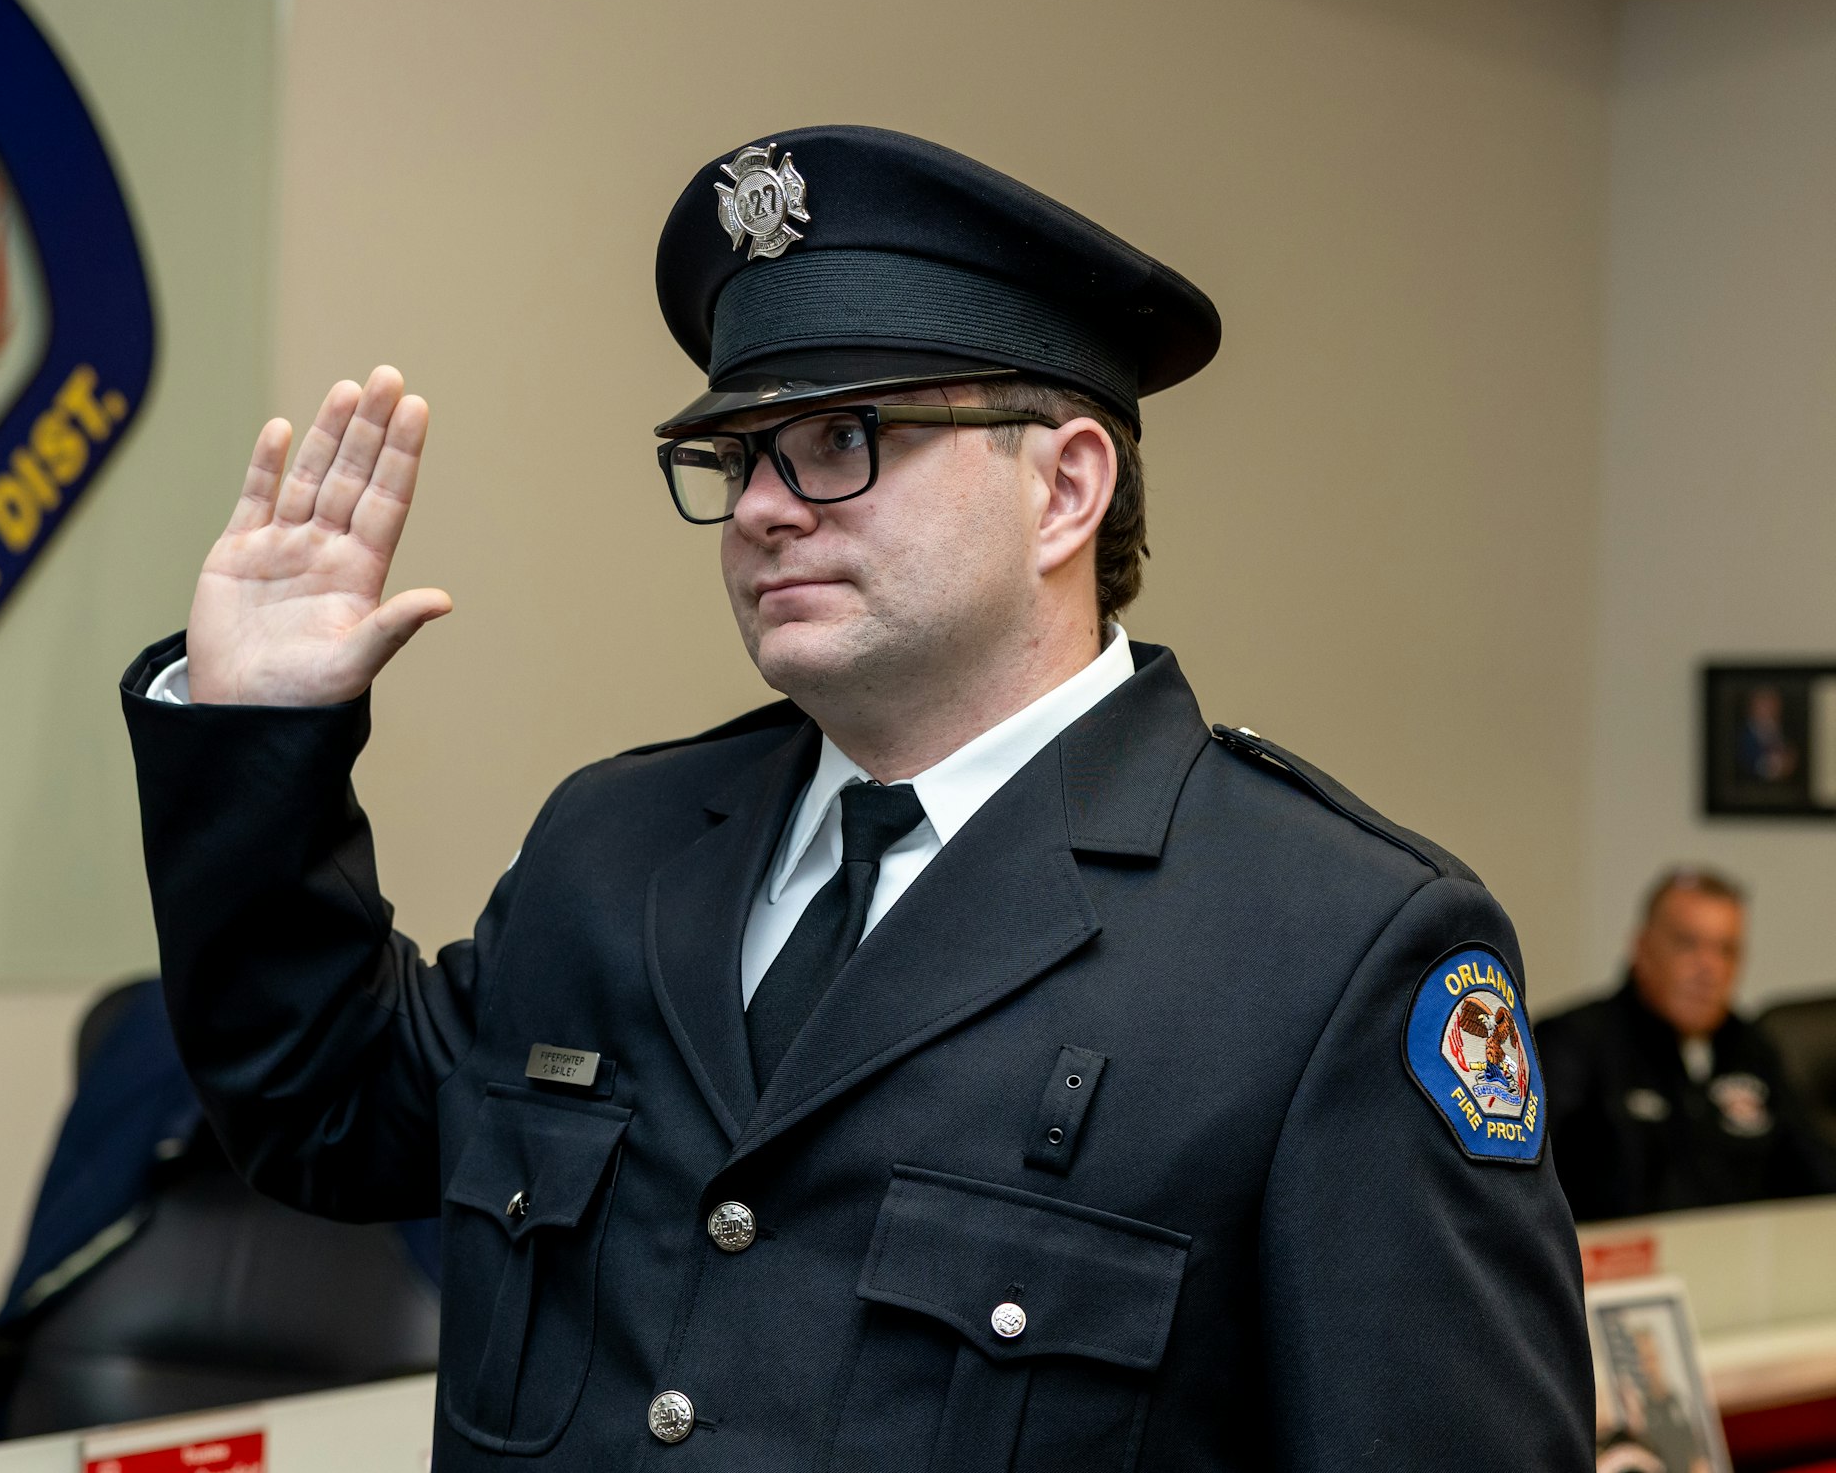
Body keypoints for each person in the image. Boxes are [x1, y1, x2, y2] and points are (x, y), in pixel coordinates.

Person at [120, 125, 1591, 1470]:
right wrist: (258, 729)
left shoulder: (1324, 944)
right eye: (739, 454)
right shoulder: (615, 845)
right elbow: (325, 1113)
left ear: (1067, 486)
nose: (763, 503)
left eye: (844, 439)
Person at [1537, 867, 1836, 1222]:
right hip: (1618, 1269)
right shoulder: (1574, 1044)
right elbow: (1532, 1195)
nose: (1708, 968)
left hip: (1742, 1267)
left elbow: (1816, 1174)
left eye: (1726, 950)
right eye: (1687, 944)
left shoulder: (1752, 1048)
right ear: (1642, 948)